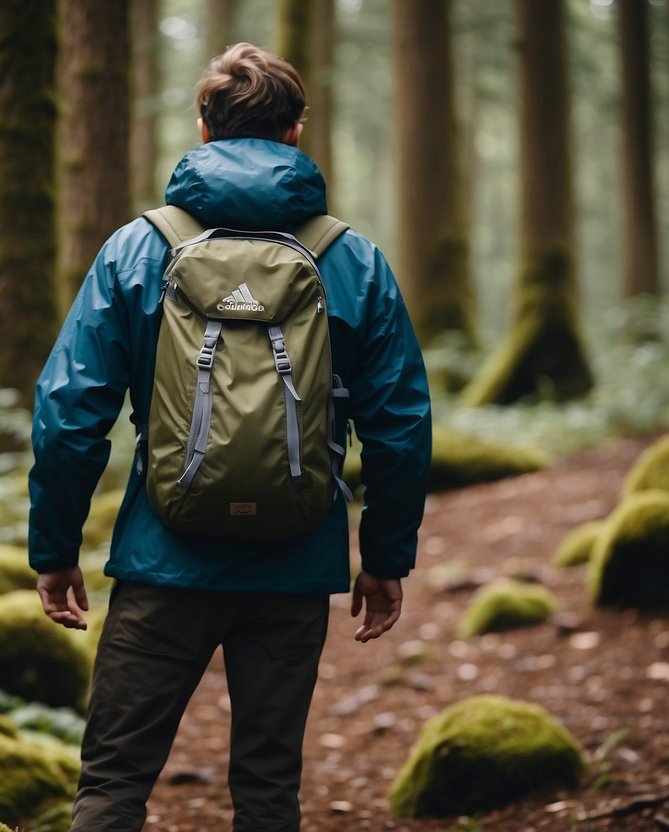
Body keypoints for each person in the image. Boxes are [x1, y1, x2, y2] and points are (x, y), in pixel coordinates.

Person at [28, 42, 431, 832]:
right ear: (295, 132)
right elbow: (400, 426)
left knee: (112, 784)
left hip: (159, 563)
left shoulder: (139, 248)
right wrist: (384, 558)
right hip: (292, 563)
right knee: (268, 791)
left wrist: (54, 548)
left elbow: (70, 411)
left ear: (203, 127)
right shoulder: (351, 260)